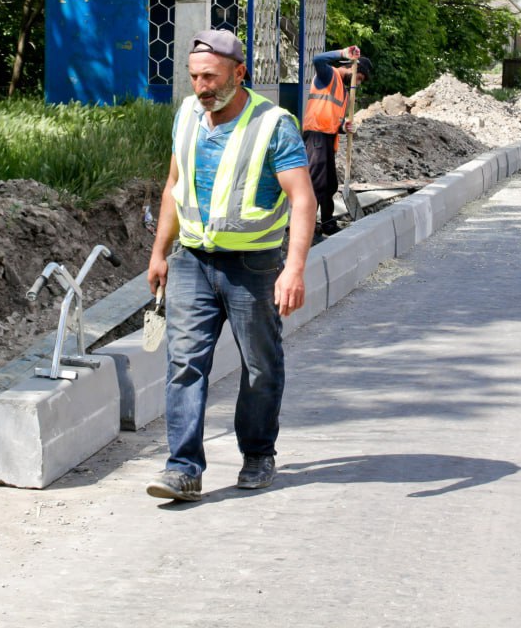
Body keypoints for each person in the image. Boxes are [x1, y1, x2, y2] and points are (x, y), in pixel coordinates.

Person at [145, 29, 316, 501]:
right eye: (195, 77)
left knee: (259, 365)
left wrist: (294, 268)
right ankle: (183, 469)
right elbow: (173, 186)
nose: (201, 87)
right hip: (192, 261)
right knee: (184, 363)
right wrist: (160, 252)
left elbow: (302, 199)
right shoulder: (186, 114)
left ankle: (258, 453)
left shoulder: (273, 124)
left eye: (211, 78)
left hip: (254, 266)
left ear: (239, 74)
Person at [302, 46, 372, 238]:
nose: (358, 83)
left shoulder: (345, 92)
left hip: (327, 139)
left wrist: (344, 128)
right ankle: (306, 228)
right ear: (352, 67)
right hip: (316, 135)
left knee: (329, 184)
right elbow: (317, 59)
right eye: (359, 78)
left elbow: (335, 120)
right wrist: (342, 53)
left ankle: (327, 224)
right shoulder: (329, 75)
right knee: (317, 184)